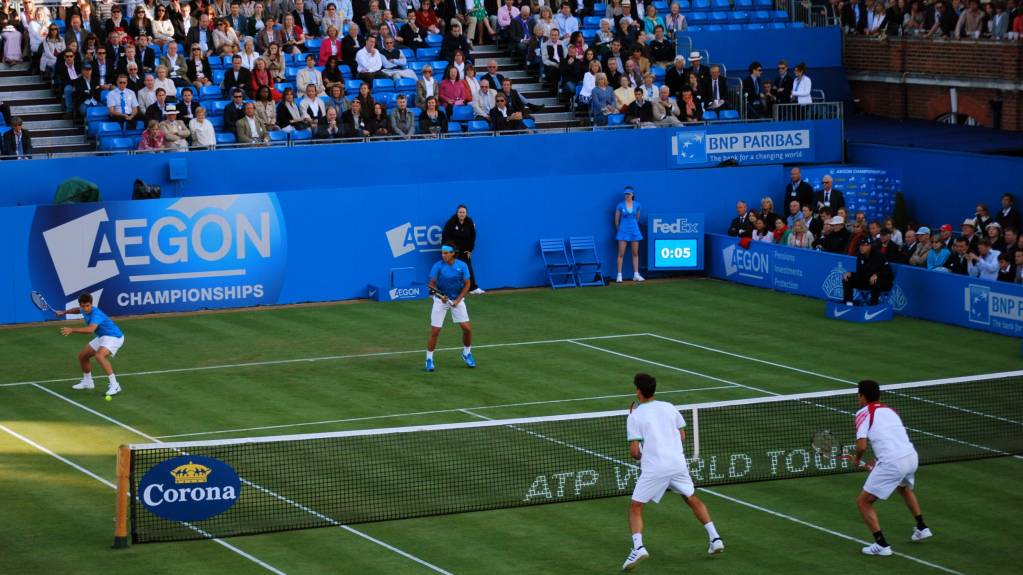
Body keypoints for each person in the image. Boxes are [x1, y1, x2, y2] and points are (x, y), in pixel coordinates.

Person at [622, 373, 724, 571]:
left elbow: (635, 453)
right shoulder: (669, 407)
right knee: (690, 497)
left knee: (635, 507)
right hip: (677, 464)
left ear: (638, 391)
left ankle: (638, 547)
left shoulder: (635, 416)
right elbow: (682, 436)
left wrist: (646, 449)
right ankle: (715, 538)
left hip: (655, 468)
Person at [853, 379, 931, 557]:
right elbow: (892, 439)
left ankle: (881, 545)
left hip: (892, 462)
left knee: (863, 502)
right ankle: (921, 526)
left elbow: (862, 446)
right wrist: (876, 461)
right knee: (903, 487)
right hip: (911, 457)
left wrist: (857, 459)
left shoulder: (862, 413)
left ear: (862, 396)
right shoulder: (890, 410)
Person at [55, 293, 125, 397]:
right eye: (83, 306)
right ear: (81, 305)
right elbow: (78, 310)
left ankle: (115, 385)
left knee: (99, 356)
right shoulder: (83, 309)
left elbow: (90, 330)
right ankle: (88, 382)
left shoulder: (96, 314)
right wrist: (64, 312)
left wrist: (72, 330)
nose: (85, 308)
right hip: (103, 336)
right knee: (83, 356)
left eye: (88, 306)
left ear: (91, 304)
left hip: (114, 337)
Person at [425, 243, 475, 372]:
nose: (443, 255)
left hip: (457, 300)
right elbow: (430, 286)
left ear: (453, 253)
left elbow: (467, 285)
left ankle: (466, 353)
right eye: (442, 253)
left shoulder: (462, 266)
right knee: (435, 331)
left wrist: (458, 300)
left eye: (446, 253)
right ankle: (429, 359)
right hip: (440, 301)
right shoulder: (437, 266)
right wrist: (440, 296)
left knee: (467, 329)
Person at [442, 205, 484, 295]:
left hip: (465, 250)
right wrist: (448, 251)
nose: (462, 214)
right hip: (452, 250)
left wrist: (469, 250)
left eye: (463, 212)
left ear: (466, 213)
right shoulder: (450, 222)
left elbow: (473, 237)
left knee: (468, 268)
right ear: (457, 213)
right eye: (460, 212)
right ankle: (448, 289)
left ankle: (473, 288)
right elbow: (445, 237)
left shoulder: (469, 222)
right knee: (451, 269)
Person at [843, 238, 893, 306]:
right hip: (867, 281)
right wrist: (850, 272)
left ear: (869, 246)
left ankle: (873, 304)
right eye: (860, 245)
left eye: (864, 245)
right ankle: (848, 303)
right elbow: (858, 271)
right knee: (847, 278)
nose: (861, 247)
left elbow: (887, 272)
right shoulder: (859, 254)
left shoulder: (878, 255)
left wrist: (877, 275)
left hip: (883, 283)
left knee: (874, 280)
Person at [615, 186, 644, 283]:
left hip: (634, 231)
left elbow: (637, 218)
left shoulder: (638, 205)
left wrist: (633, 227)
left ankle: (636, 274)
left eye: (628, 194)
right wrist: (621, 230)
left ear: (632, 195)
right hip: (623, 232)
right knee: (621, 254)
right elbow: (616, 221)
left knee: (635, 253)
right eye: (625, 194)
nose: (627, 195)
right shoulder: (620, 205)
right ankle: (619, 275)